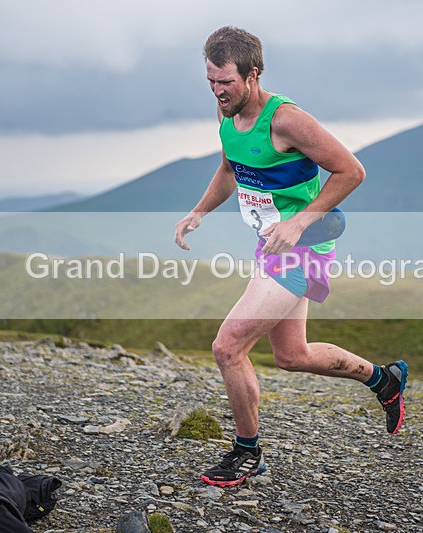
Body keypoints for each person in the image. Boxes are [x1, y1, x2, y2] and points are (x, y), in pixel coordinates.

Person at [174, 26, 408, 488]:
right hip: (271, 244)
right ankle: (385, 381)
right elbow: (229, 167)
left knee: (228, 347)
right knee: (292, 355)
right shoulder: (227, 114)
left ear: (253, 74)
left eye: (227, 82)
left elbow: (351, 170)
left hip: (304, 246)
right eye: (211, 82)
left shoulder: (287, 120)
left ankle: (247, 452)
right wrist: (199, 211)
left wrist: (301, 221)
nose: (218, 92)